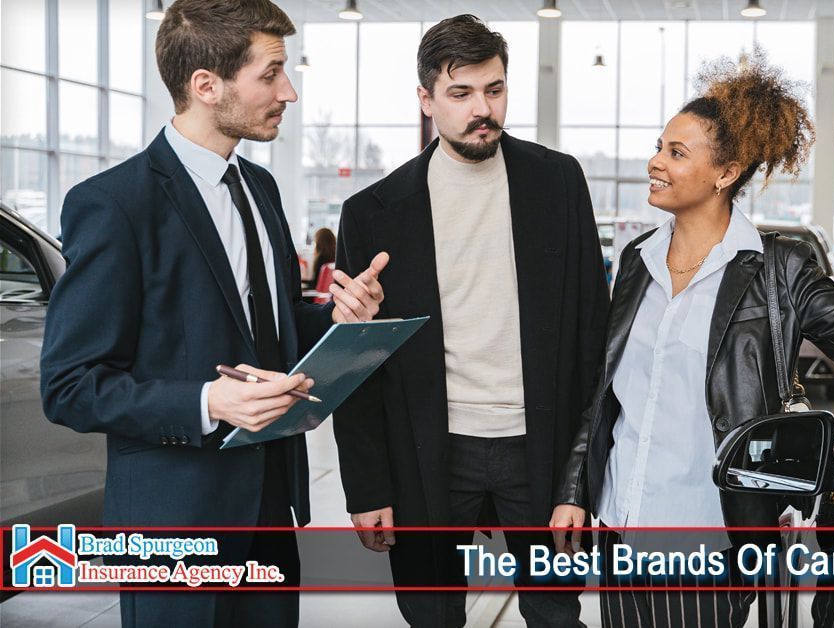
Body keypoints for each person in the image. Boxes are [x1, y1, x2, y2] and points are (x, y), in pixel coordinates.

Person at [549, 51, 834, 627]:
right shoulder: (638, 261)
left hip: (708, 532)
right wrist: (575, 492)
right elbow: (604, 392)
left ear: (725, 172)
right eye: (659, 147)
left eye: (676, 152)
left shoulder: (775, 268)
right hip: (623, 520)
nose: (654, 162)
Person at [39, 1, 387, 625]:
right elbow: (70, 386)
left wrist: (339, 319)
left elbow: (268, 336)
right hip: (173, 522)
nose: (290, 91)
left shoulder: (260, 189)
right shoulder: (114, 204)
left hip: (270, 506)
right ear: (206, 85)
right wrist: (208, 403)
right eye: (271, 73)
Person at [333, 14, 609, 628]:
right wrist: (368, 488)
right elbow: (356, 364)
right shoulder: (372, 212)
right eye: (460, 94)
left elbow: (593, 337)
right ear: (426, 100)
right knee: (431, 614)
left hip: (539, 444)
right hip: (430, 449)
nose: (482, 109)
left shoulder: (559, 182)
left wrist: (581, 479)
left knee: (556, 614)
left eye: (495, 89)